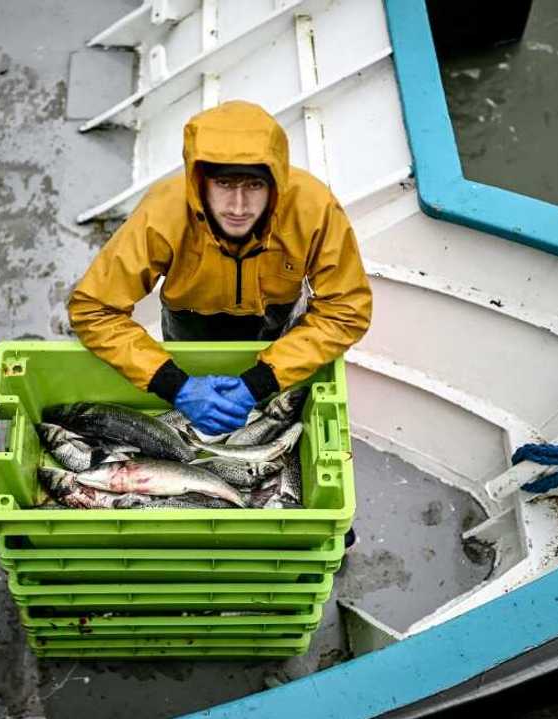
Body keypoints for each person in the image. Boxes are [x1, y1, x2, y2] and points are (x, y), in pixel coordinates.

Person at [68, 100, 371, 547]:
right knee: (213, 414)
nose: (237, 205)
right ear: (199, 182)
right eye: (224, 184)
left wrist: (263, 378)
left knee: (274, 405)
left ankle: (302, 516)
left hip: (274, 321)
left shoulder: (314, 208)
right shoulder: (165, 211)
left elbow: (346, 308)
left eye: (253, 186)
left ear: (277, 185)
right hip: (191, 323)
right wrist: (174, 384)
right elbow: (93, 307)